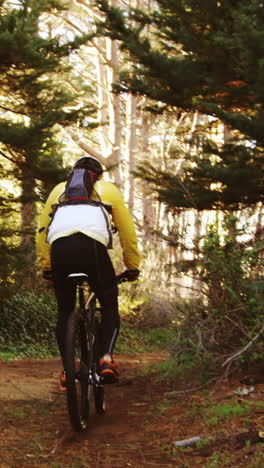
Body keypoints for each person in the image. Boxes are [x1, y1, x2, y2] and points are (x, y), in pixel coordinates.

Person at [36, 155, 140, 388]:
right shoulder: (107, 189)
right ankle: (105, 359)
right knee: (109, 303)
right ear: (99, 175)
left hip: (60, 249)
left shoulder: (58, 191)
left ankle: (67, 370)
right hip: (92, 249)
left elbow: (43, 230)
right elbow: (127, 232)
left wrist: (47, 266)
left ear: (73, 174)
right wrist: (132, 266)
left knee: (65, 311)